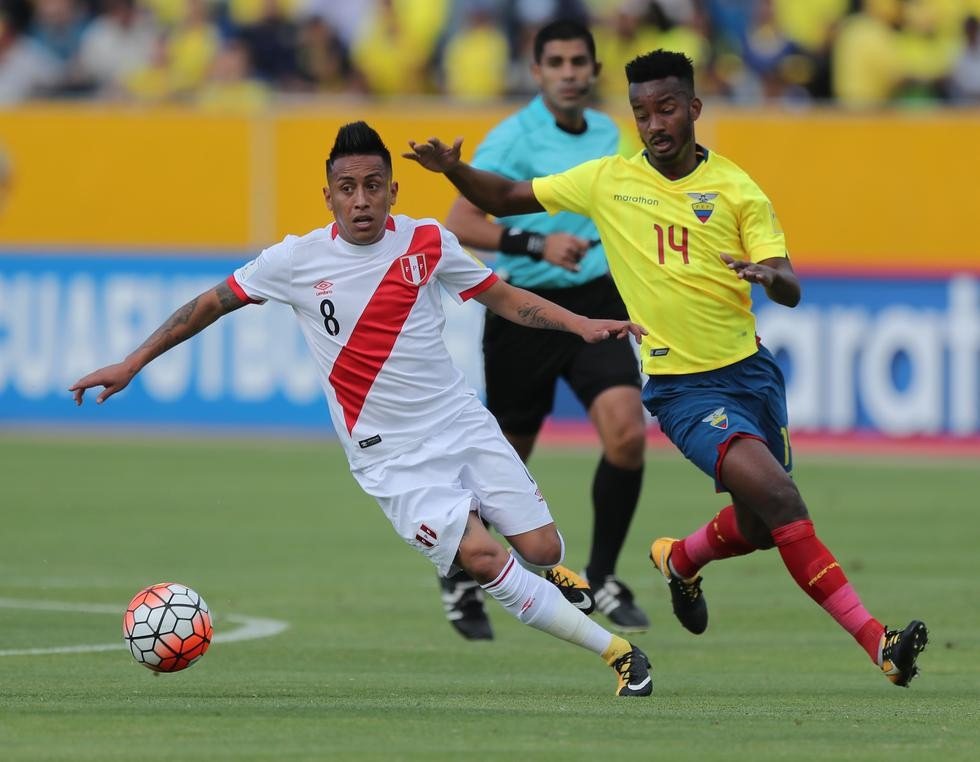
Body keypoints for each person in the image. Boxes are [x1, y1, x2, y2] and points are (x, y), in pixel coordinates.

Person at [69, 121, 654, 698]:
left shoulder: (427, 241)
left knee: (544, 549)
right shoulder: (295, 260)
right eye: (347, 188)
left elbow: (504, 299)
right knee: (482, 557)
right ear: (328, 197)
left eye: (374, 185)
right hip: (391, 457)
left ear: (393, 191)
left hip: (460, 423)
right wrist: (133, 362)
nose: (361, 200)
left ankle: (543, 564)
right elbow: (209, 304)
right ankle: (618, 653)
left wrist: (579, 324)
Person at [404, 50, 928, 687]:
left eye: (667, 108)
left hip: (752, 374)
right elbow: (508, 197)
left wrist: (772, 277)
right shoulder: (608, 180)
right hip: (682, 389)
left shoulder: (737, 189)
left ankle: (680, 559)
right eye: (642, 112)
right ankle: (880, 643)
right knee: (783, 497)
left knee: (764, 526)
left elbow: (789, 282)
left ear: (695, 109)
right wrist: (456, 169)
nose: (654, 123)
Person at [436, 18, 650, 641]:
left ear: (594, 70)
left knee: (627, 434)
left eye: (577, 61)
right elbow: (460, 221)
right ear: (536, 72)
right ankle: (457, 574)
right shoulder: (511, 137)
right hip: (524, 309)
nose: (567, 72)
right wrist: (534, 240)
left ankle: (603, 575)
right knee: (506, 462)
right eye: (554, 62)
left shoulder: (611, 133)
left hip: (596, 301)